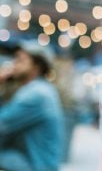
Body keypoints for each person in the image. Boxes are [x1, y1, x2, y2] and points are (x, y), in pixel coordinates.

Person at [0, 41, 65, 171]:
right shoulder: (38, 89)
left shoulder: (36, 94)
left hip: (35, 165)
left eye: (21, 60)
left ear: (37, 66)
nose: (14, 65)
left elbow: (2, 124)